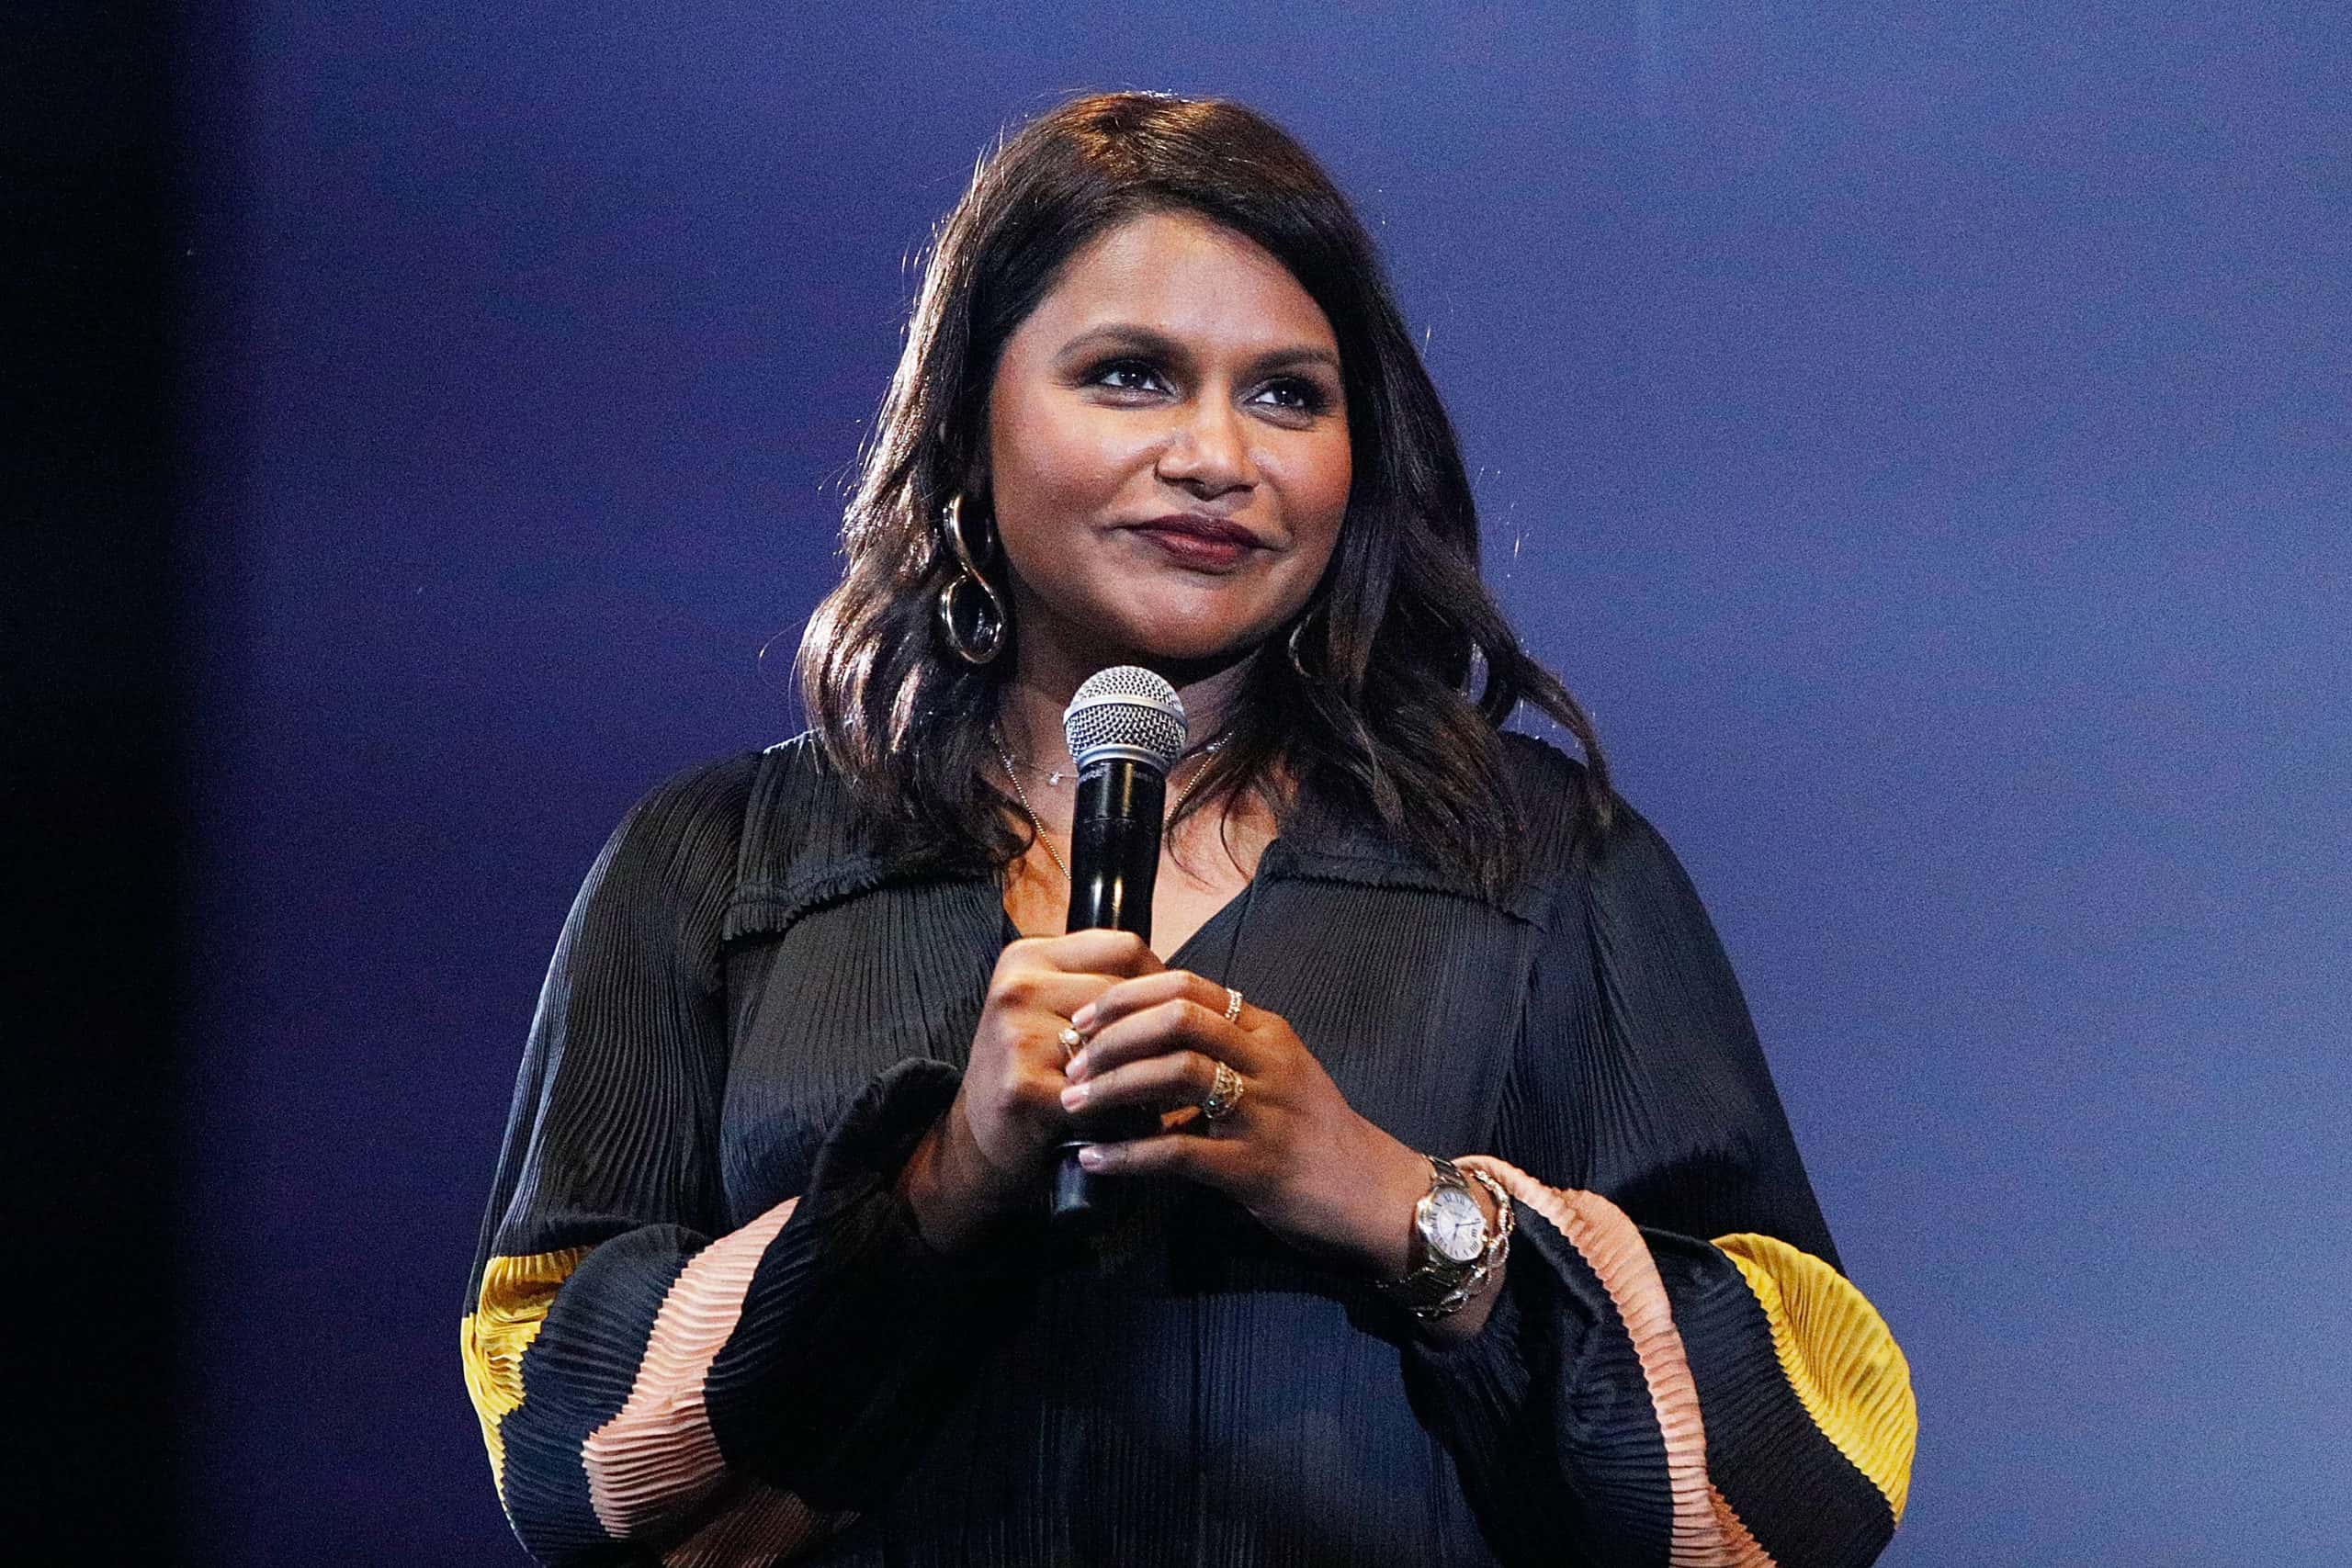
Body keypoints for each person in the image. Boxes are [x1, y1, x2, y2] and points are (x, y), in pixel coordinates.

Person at [460, 91, 1916, 1567]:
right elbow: (557, 1438)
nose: (1220, 454)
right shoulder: (721, 869)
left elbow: (1810, 1472)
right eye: (1132, 377)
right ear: (969, 423)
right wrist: (938, 1187)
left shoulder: (1542, 867)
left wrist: (1395, 1204)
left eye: (1289, 394)